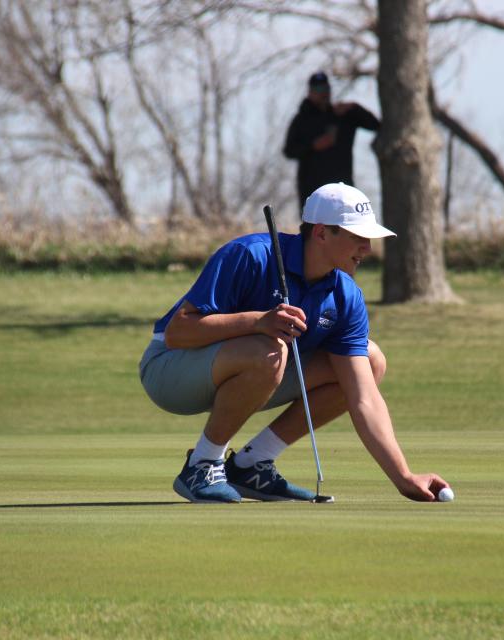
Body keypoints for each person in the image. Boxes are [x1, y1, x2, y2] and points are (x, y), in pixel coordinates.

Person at [139, 182, 449, 503]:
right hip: (170, 370)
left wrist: (403, 476)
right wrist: (258, 321)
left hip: (257, 367)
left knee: (370, 362)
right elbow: (178, 332)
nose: (367, 248)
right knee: (270, 350)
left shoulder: (345, 295)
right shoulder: (250, 255)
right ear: (321, 233)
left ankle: (251, 464)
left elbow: (364, 397)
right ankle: (202, 464)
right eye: (358, 236)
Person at [283, 72, 381, 210]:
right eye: (318, 90)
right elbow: (289, 150)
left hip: (342, 186)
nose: (323, 93)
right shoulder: (302, 120)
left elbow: (375, 125)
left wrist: (355, 107)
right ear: (310, 92)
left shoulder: (341, 115)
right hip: (313, 189)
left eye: (326, 89)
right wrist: (313, 146)